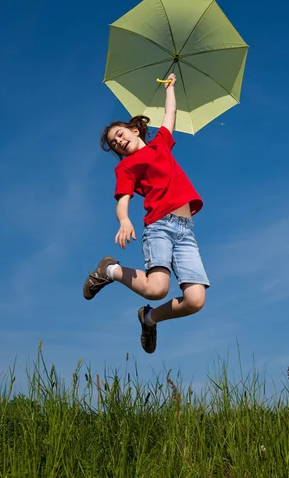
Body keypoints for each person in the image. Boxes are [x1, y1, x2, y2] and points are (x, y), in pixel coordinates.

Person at [83, 73, 210, 353]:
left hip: (185, 229)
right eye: (114, 144)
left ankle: (149, 319)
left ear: (134, 130)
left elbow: (170, 113)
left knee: (195, 300)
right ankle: (110, 269)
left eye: (120, 134)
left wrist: (170, 87)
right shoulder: (126, 168)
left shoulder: (161, 144)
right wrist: (124, 219)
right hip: (160, 225)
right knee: (157, 289)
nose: (118, 141)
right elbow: (122, 200)